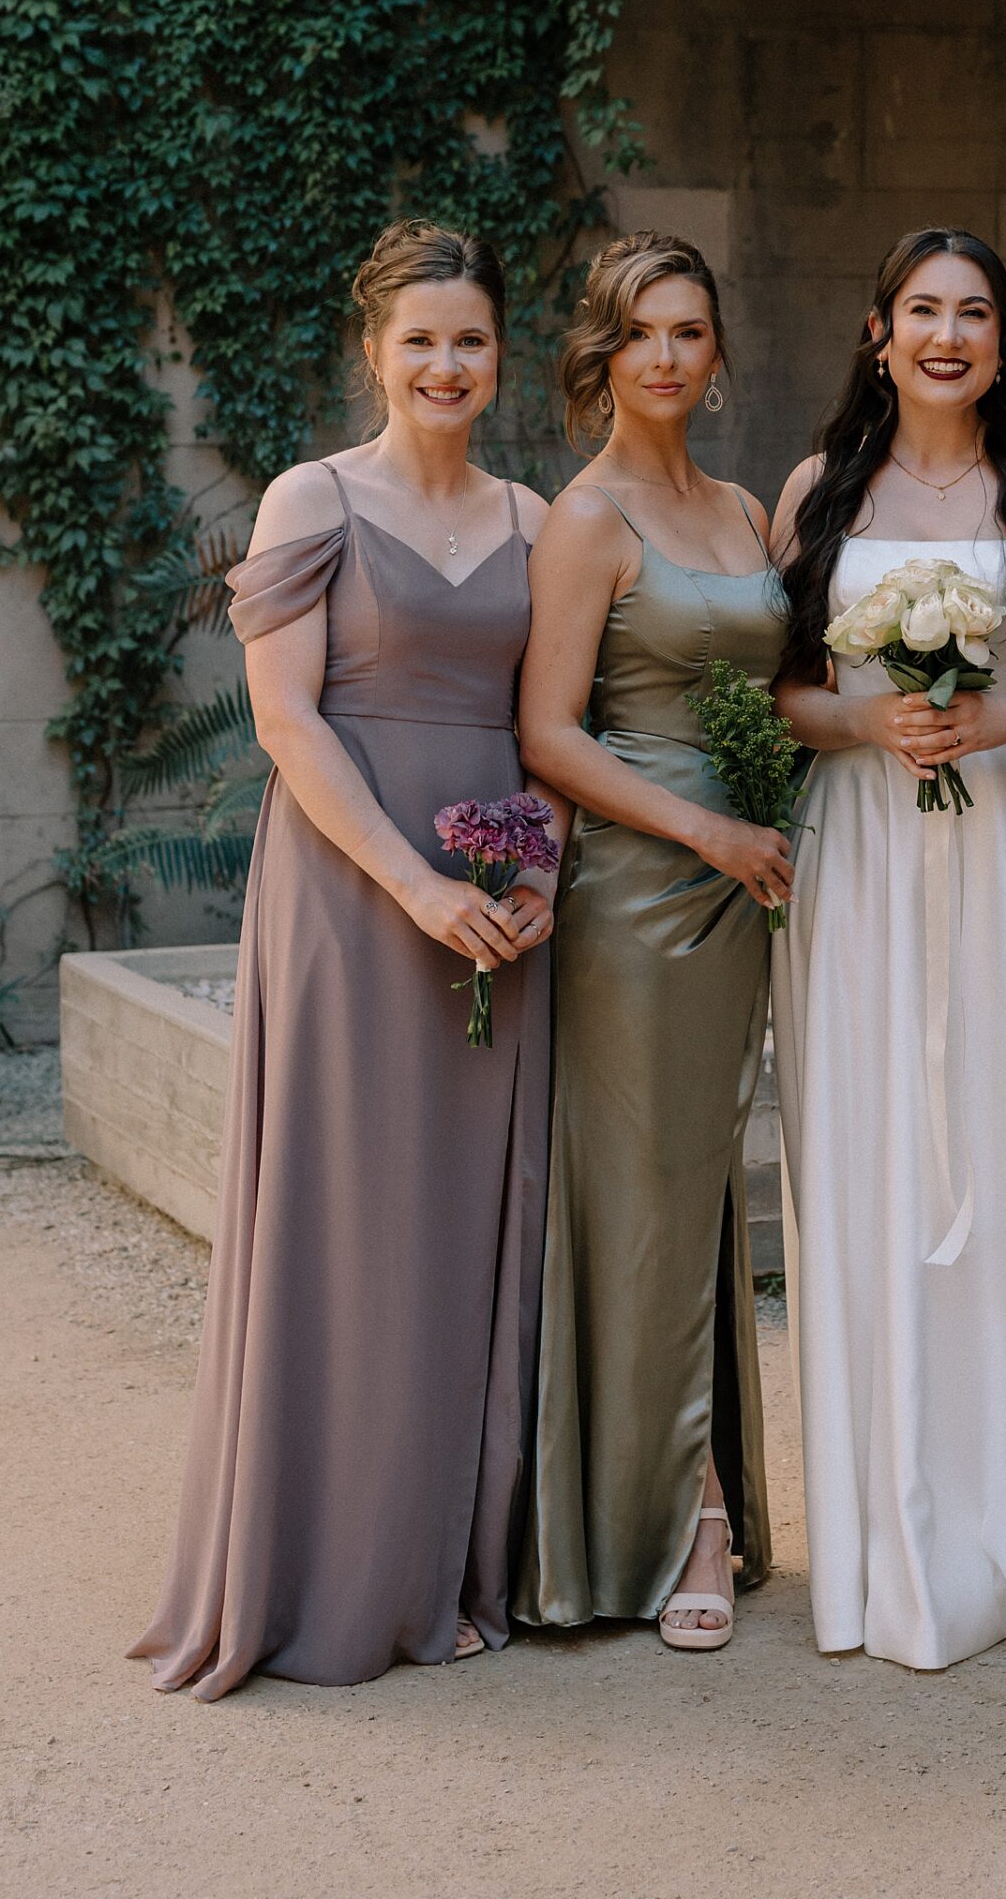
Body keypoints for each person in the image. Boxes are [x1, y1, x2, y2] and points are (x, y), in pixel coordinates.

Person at [132, 220, 555, 1700]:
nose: (447, 365)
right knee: (341, 1211)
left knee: (464, 1220)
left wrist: (531, 870)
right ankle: (318, 1570)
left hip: (499, 908)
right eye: (421, 339)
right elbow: (287, 723)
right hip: (347, 889)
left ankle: (445, 1562)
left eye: (472, 340)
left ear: (500, 355)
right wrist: (414, 885)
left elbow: (547, 725)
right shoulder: (312, 497)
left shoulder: (534, 519)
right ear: (373, 348)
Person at [771, 226, 1006, 1671]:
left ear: (1002, 336)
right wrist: (870, 720)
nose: (947, 334)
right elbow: (791, 695)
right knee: (871, 1168)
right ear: (878, 330)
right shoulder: (817, 490)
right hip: (864, 862)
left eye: (975, 311)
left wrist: (1003, 721)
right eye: (923, 309)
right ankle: (892, 1550)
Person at [513, 233, 788, 1651]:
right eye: (643, 334)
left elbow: (782, 693)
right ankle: (683, 1519)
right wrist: (708, 837)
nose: (670, 357)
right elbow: (548, 734)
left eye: (691, 331)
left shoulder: (743, 508)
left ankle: (701, 1490)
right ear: (601, 356)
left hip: (746, 878)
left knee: (705, 1188)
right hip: (639, 891)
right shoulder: (589, 518)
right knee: (647, 1197)